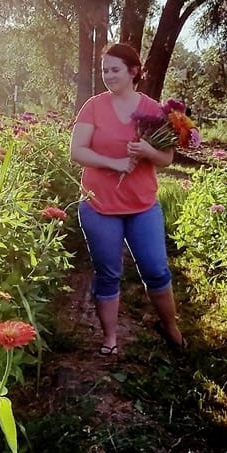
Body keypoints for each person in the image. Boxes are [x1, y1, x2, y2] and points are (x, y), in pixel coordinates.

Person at [68, 42, 185, 355]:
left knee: (156, 269)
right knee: (108, 273)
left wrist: (148, 151)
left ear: (134, 72)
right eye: (105, 70)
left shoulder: (152, 109)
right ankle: (110, 339)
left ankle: (170, 324)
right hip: (99, 205)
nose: (108, 75)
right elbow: (77, 151)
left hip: (142, 206)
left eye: (115, 70)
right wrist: (116, 163)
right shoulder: (93, 106)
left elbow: (167, 159)